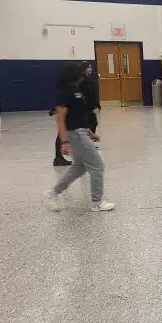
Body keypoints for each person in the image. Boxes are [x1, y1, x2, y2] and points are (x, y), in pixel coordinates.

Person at [45, 62, 115, 212]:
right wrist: (64, 142)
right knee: (97, 165)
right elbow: (60, 120)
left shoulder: (76, 90)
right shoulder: (64, 93)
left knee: (79, 167)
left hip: (81, 132)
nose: (83, 74)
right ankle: (97, 202)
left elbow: (78, 116)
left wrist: (89, 132)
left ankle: (53, 193)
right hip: (74, 134)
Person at [81, 62, 100, 134]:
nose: (91, 69)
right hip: (86, 109)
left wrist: (97, 105)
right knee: (89, 126)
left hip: (91, 109)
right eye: (89, 67)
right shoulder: (81, 82)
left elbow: (93, 95)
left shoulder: (89, 80)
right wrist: (92, 107)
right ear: (84, 69)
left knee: (94, 124)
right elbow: (86, 97)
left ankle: (90, 140)